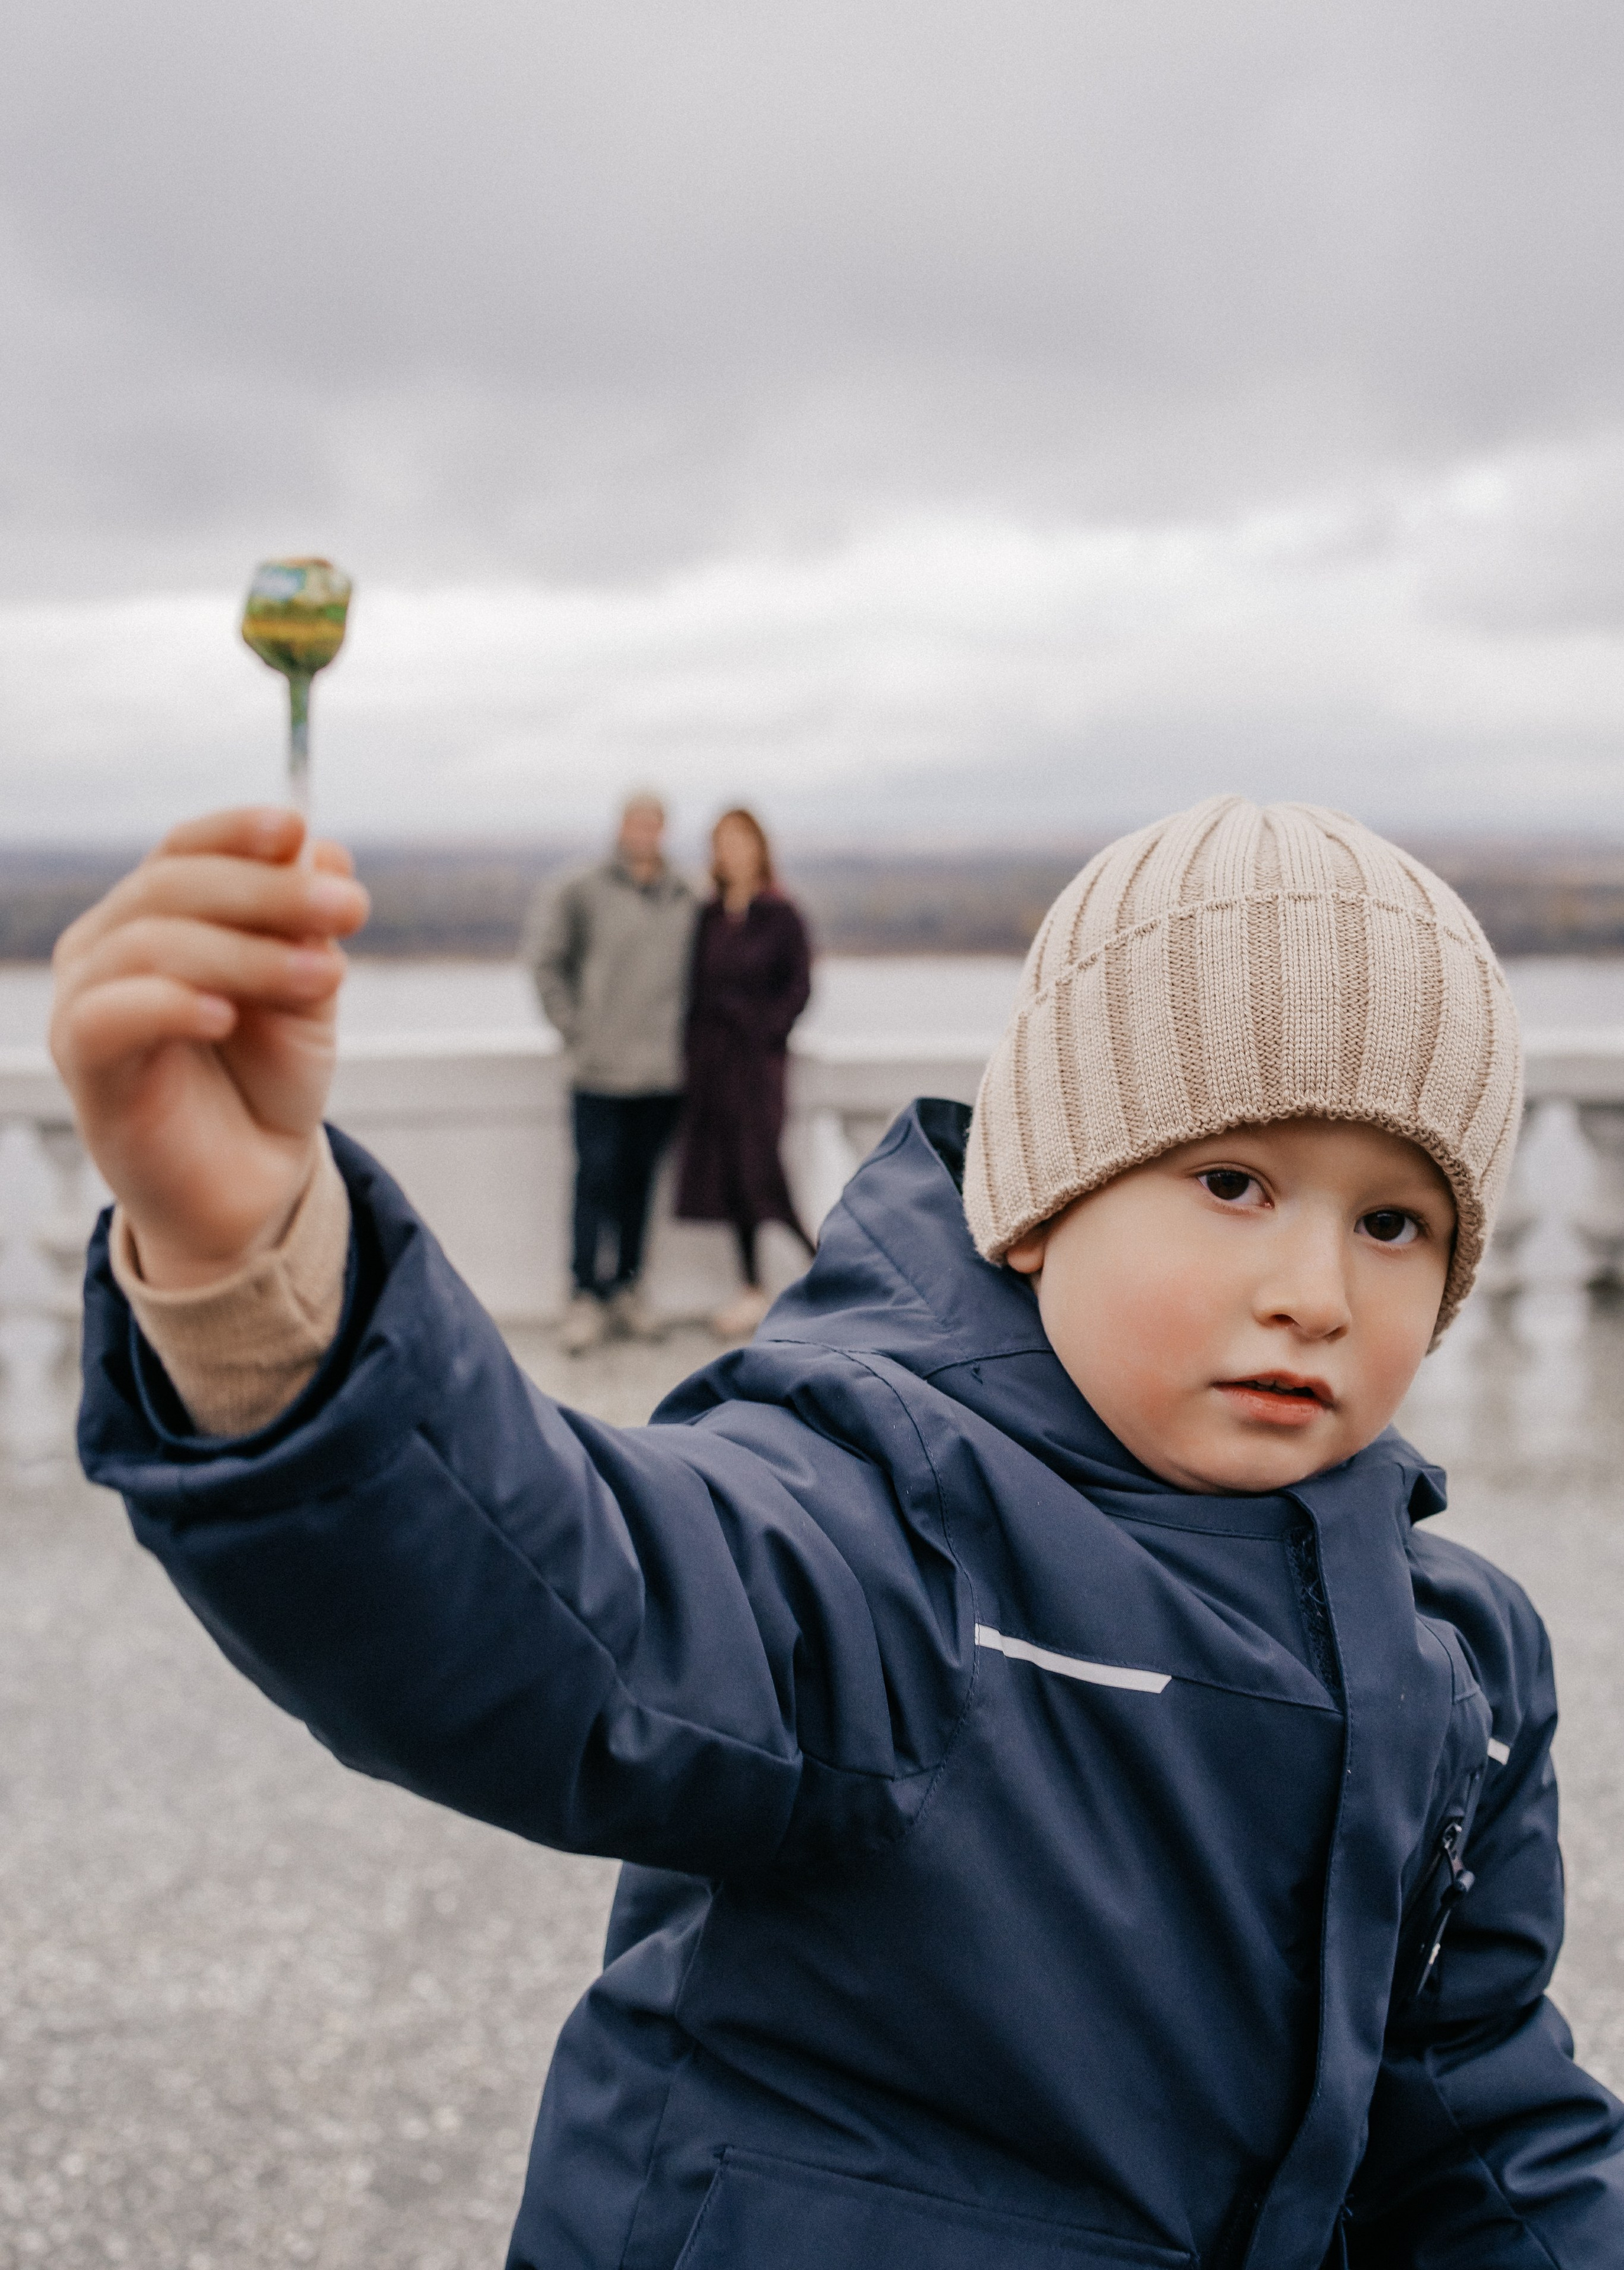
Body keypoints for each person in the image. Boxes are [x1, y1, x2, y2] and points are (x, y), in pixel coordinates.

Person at [52, 794, 1624, 2268]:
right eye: (1228, 1179)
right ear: (1038, 1196)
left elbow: (1469, 2104)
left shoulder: (1457, 1659)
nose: (1315, 1287)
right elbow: (564, 1611)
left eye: (1389, 1219)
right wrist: (254, 1272)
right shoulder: (882, 1525)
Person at [523, 792, 697, 1351]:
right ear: (621, 826)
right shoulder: (582, 889)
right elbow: (545, 961)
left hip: (662, 1073)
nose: (643, 832)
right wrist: (577, 1031)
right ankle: (582, 1296)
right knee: (593, 1181)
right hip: (597, 1071)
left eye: (653, 822)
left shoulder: (687, 896)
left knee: (639, 1186)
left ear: (663, 829)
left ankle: (627, 1291)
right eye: (635, 821)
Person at [674, 806, 815, 1342]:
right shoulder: (709, 914)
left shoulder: (782, 915)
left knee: (764, 1174)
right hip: (713, 1066)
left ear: (759, 847)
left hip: (758, 1067)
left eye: (740, 841)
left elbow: (799, 988)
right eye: (721, 843)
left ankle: (822, 1267)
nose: (731, 852)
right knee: (731, 1178)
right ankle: (752, 1288)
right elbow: (694, 990)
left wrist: (763, 1032)